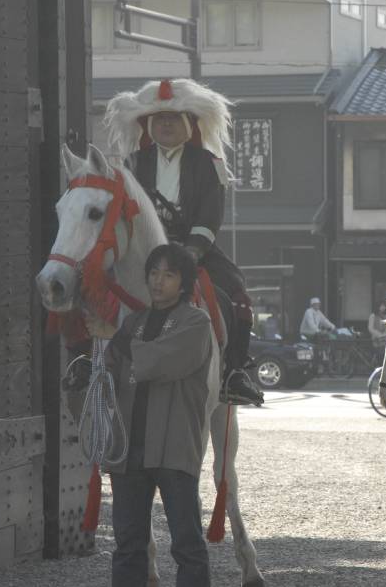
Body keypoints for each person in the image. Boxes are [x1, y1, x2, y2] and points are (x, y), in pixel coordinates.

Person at [105, 77, 263, 406]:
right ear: (148, 124)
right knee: (94, 284)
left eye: (174, 118)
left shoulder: (210, 165)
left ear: (189, 124)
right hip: (141, 249)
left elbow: (210, 214)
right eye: (160, 118)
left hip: (193, 248)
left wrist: (191, 250)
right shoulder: (132, 164)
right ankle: (93, 365)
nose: (166, 124)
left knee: (236, 291)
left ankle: (234, 373)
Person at [82, 244, 217, 587]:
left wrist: (115, 338)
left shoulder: (196, 322)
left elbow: (162, 362)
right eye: (154, 273)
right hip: (129, 450)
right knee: (127, 546)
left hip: (173, 448)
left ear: (183, 283)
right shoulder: (135, 322)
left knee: (186, 544)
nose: (158, 281)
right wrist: (89, 371)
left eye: (169, 275)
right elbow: (110, 369)